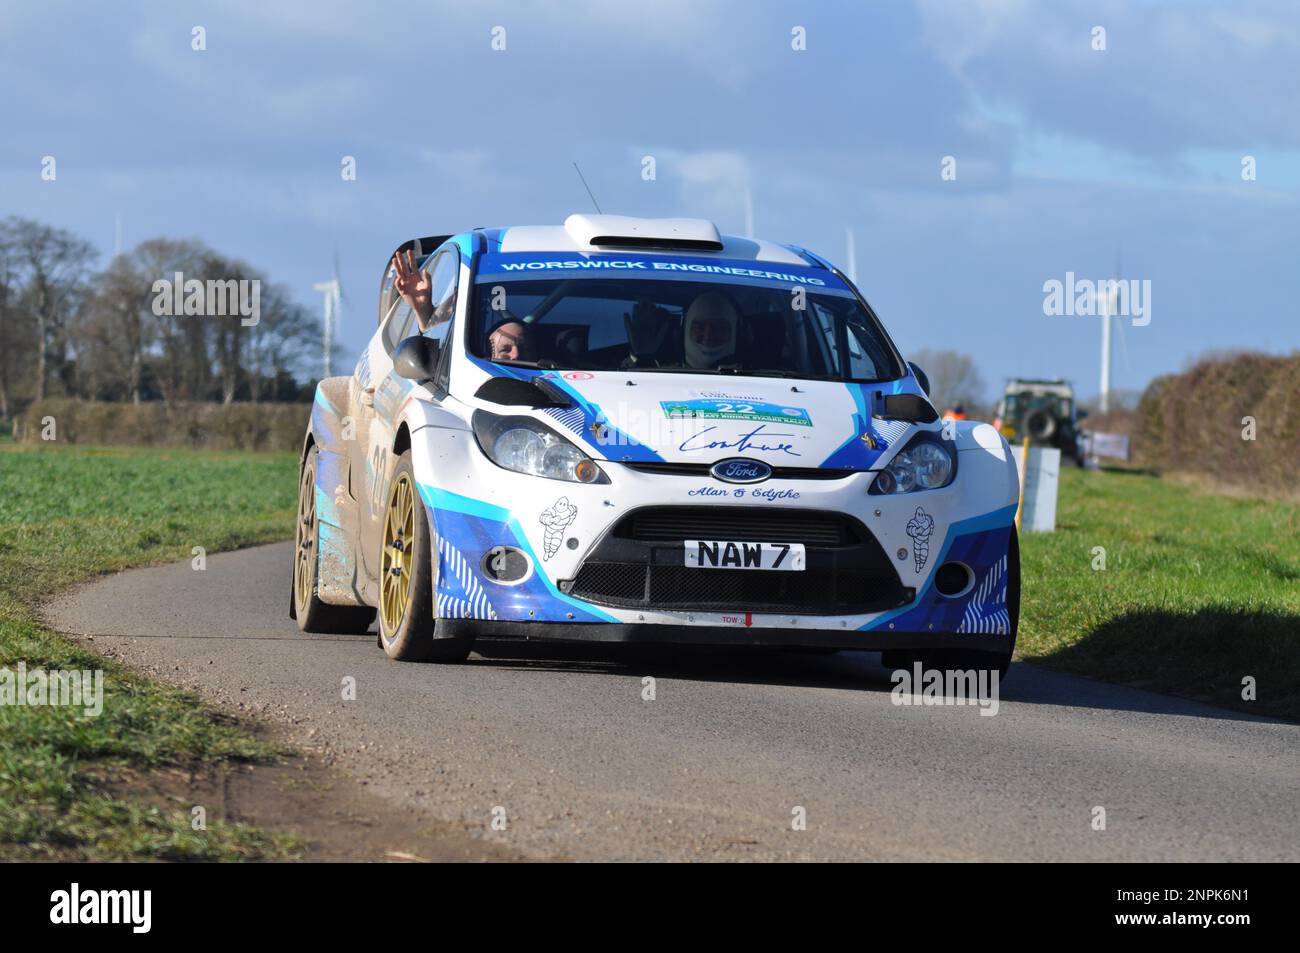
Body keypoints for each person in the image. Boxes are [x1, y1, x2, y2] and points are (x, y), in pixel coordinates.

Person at [682, 291, 739, 369]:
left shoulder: (751, 375)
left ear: (737, 333)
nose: (708, 335)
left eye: (719, 327)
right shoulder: (667, 372)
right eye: (699, 327)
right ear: (685, 330)